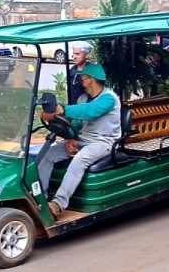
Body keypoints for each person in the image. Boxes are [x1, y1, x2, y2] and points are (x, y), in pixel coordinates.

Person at [36, 63, 121, 217]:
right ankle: (40, 199)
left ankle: (58, 204)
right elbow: (76, 123)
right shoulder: (83, 98)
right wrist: (70, 138)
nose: (81, 80)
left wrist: (64, 109)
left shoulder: (109, 98)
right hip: (82, 140)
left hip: (103, 143)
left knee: (80, 160)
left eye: (83, 77)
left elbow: (90, 112)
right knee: (48, 154)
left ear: (91, 80)